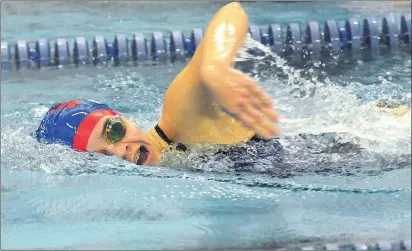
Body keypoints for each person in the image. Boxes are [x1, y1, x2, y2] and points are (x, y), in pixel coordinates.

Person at [35, 2, 280, 166]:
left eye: (113, 131)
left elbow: (232, 11)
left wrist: (214, 69)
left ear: (122, 117)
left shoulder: (181, 119)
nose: (120, 151)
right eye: (101, 156)